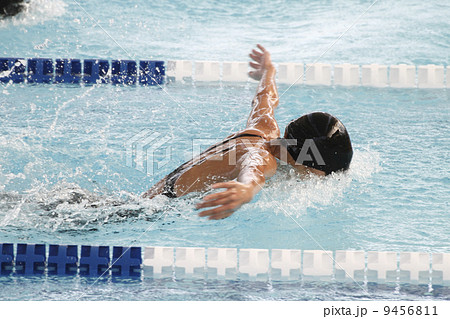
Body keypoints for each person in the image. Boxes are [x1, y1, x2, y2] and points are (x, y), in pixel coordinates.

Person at [143, 44, 353, 220]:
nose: (319, 179)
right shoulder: (264, 157)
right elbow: (253, 170)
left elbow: (265, 98)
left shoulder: (265, 128)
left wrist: (268, 71)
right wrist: (245, 191)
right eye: (320, 175)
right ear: (306, 160)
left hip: (160, 194)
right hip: (150, 212)